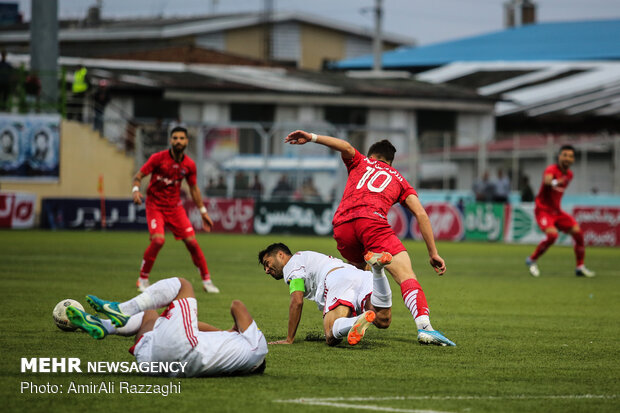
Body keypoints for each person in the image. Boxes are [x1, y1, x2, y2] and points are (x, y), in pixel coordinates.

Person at [285, 130, 455, 347]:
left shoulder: (360, 162)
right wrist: (433, 253)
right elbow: (421, 214)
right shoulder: (400, 179)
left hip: (342, 225)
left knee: (355, 277)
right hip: (372, 222)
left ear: (371, 155)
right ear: (390, 162)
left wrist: (312, 137)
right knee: (406, 275)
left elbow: (346, 147)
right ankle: (425, 327)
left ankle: (345, 323)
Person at [65, 277, 267, 377]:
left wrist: (232, 328)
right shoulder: (237, 359)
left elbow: (237, 306)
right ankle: (103, 325)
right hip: (155, 366)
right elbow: (195, 326)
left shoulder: (259, 347)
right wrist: (227, 332)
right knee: (149, 315)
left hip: (185, 348)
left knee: (183, 285)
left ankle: (123, 309)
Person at [132, 126, 220, 293]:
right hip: (155, 205)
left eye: (181, 138)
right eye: (175, 138)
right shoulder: (158, 158)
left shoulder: (189, 164)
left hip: (175, 207)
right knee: (158, 240)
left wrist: (203, 212)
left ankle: (207, 281)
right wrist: (135, 191)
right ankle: (142, 279)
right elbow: (138, 176)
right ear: (170, 141)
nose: (178, 141)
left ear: (186, 141)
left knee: (193, 243)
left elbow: (194, 189)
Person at [258, 243, 392, 346]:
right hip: (359, 274)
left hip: (338, 280)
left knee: (330, 335)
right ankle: (378, 270)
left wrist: (289, 339)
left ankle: (355, 320)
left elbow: (297, 301)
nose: (267, 270)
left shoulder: (291, 266)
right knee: (382, 320)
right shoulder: (306, 257)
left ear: (280, 255)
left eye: (267, 263)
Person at [525, 145, 595, 278]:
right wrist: (557, 182)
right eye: (564, 155)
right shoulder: (551, 169)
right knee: (552, 236)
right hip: (543, 210)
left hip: (557, 212)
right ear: (559, 157)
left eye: (570, 156)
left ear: (573, 159)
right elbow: (547, 182)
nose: (567, 158)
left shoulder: (569, 175)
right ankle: (532, 259)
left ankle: (580, 267)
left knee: (578, 233)